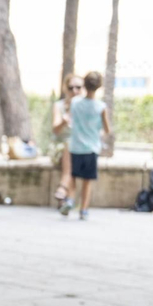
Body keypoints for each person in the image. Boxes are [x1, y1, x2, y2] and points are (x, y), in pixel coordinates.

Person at [64, 71, 111, 221]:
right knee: (87, 181)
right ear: (99, 86)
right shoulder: (101, 107)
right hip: (91, 148)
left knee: (73, 176)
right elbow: (107, 129)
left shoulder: (75, 102)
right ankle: (83, 210)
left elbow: (70, 120)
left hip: (76, 146)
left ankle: (70, 199)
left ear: (84, 84)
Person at [50, 73, 83, 209]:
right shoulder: (59, 106)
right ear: (65, 89)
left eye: (78, 87)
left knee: (73, 151)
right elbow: (55, 130)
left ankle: (65, 194)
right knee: (69, 147)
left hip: (81, 147)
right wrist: (64, 120)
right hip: (60, 147)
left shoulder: (85, 107)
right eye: (71, 87)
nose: (74, 91)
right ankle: (67, 196)